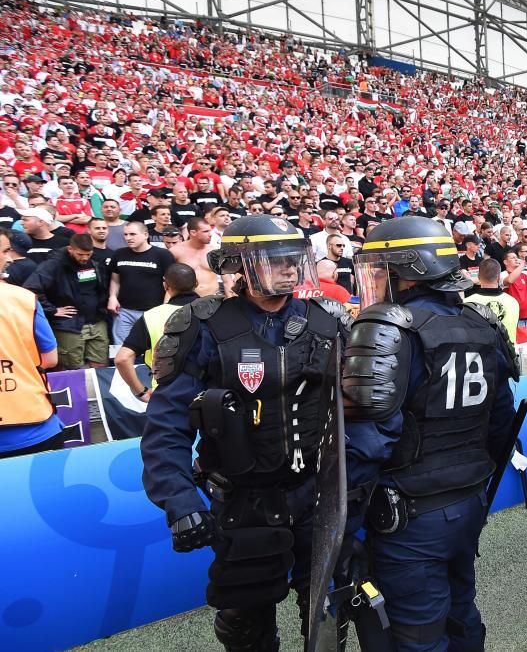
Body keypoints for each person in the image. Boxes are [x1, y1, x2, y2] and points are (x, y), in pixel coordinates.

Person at [140, 215, 352, 651]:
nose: (290, 269)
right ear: (238, 264)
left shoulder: (330, 321)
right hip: (242, 501)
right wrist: (178, 499)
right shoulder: (201, 325)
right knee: (245, 624)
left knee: (330, 614)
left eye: (294, 259)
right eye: (276, 260)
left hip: (320, 495)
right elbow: (166, 425)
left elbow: (360, 412)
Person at [341, 215, 517, 651]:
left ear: (406, 271)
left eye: (381, 270)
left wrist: (342, 528)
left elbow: (366, 444)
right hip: (470, 499)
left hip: (410, 514)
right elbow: (502, 422)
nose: (376, 280)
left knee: (416, 632)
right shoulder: (482, 324)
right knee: (462, 613)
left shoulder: (390, 328)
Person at [0, 228, 63, 459]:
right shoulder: (23, 299)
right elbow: (49, 359)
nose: (9, 259)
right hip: (32, 427)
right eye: (5, 251)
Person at [114, 263, 199, 401]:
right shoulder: (216, 312)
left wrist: (140, 392)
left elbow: (122, 359)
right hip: (209, 395)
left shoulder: (152, 316)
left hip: (166, 395)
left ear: (165, 285)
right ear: (196, 283)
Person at [24, 233, 110, 370]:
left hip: (96, 320)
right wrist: (52, 310)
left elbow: (103, 287)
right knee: (71, 367)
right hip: (69, 323)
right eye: (80, 254)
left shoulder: (95, 261)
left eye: (88, 254)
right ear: (70, 249)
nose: (85, 258)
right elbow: (31, 288)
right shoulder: (53, 264)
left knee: (100, 364)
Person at [108, 222, 176, 345]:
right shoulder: (119, 254)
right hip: (124, 312)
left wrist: (165, 308)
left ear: (145, 235)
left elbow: (171, 285)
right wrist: (112, 297)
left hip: (152, 311)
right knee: (122, 350)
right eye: (126, 234)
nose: (128, 238)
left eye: (132, 234)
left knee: (153, 349)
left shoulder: (162, 255)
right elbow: (115, 279)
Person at [169, 217, 229, 297]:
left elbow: (227, 281)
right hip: (187, 301)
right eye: (205, 231)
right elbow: (169, 282)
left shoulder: (215, 252)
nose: (210, 234)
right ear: (193, 232)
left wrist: (231, 300)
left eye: (210, 230)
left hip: (213, 299)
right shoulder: (175, 251)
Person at [465, 257, 521, 340]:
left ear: (479, 277)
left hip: (479, 351)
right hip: (507, 352)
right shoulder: (513, 302)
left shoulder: (466, 303)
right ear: (498, 277)